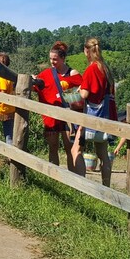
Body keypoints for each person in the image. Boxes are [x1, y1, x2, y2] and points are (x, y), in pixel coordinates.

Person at [33, 41, 83, 172]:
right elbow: (35, 87)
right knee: (53, 147)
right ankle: (54, 177)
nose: (52, 62)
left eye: (55, 59)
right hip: (51, 116)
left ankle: (73, 179)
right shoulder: (45, 74)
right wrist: (32, 80)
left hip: (68, 115)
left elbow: (83, 94)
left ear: (63, 58)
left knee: (70, 148)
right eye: (50, 59)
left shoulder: (74, 75)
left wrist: (69, 98)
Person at [76, 37, 117, 187]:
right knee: (103, 155)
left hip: (92, 118)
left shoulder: (91, 69)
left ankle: (80, 186)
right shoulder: (105, 68)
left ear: (86, 51)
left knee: (76, 150)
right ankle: (106, 187)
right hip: (107, 116)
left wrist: (73, 94)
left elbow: (85, 95)